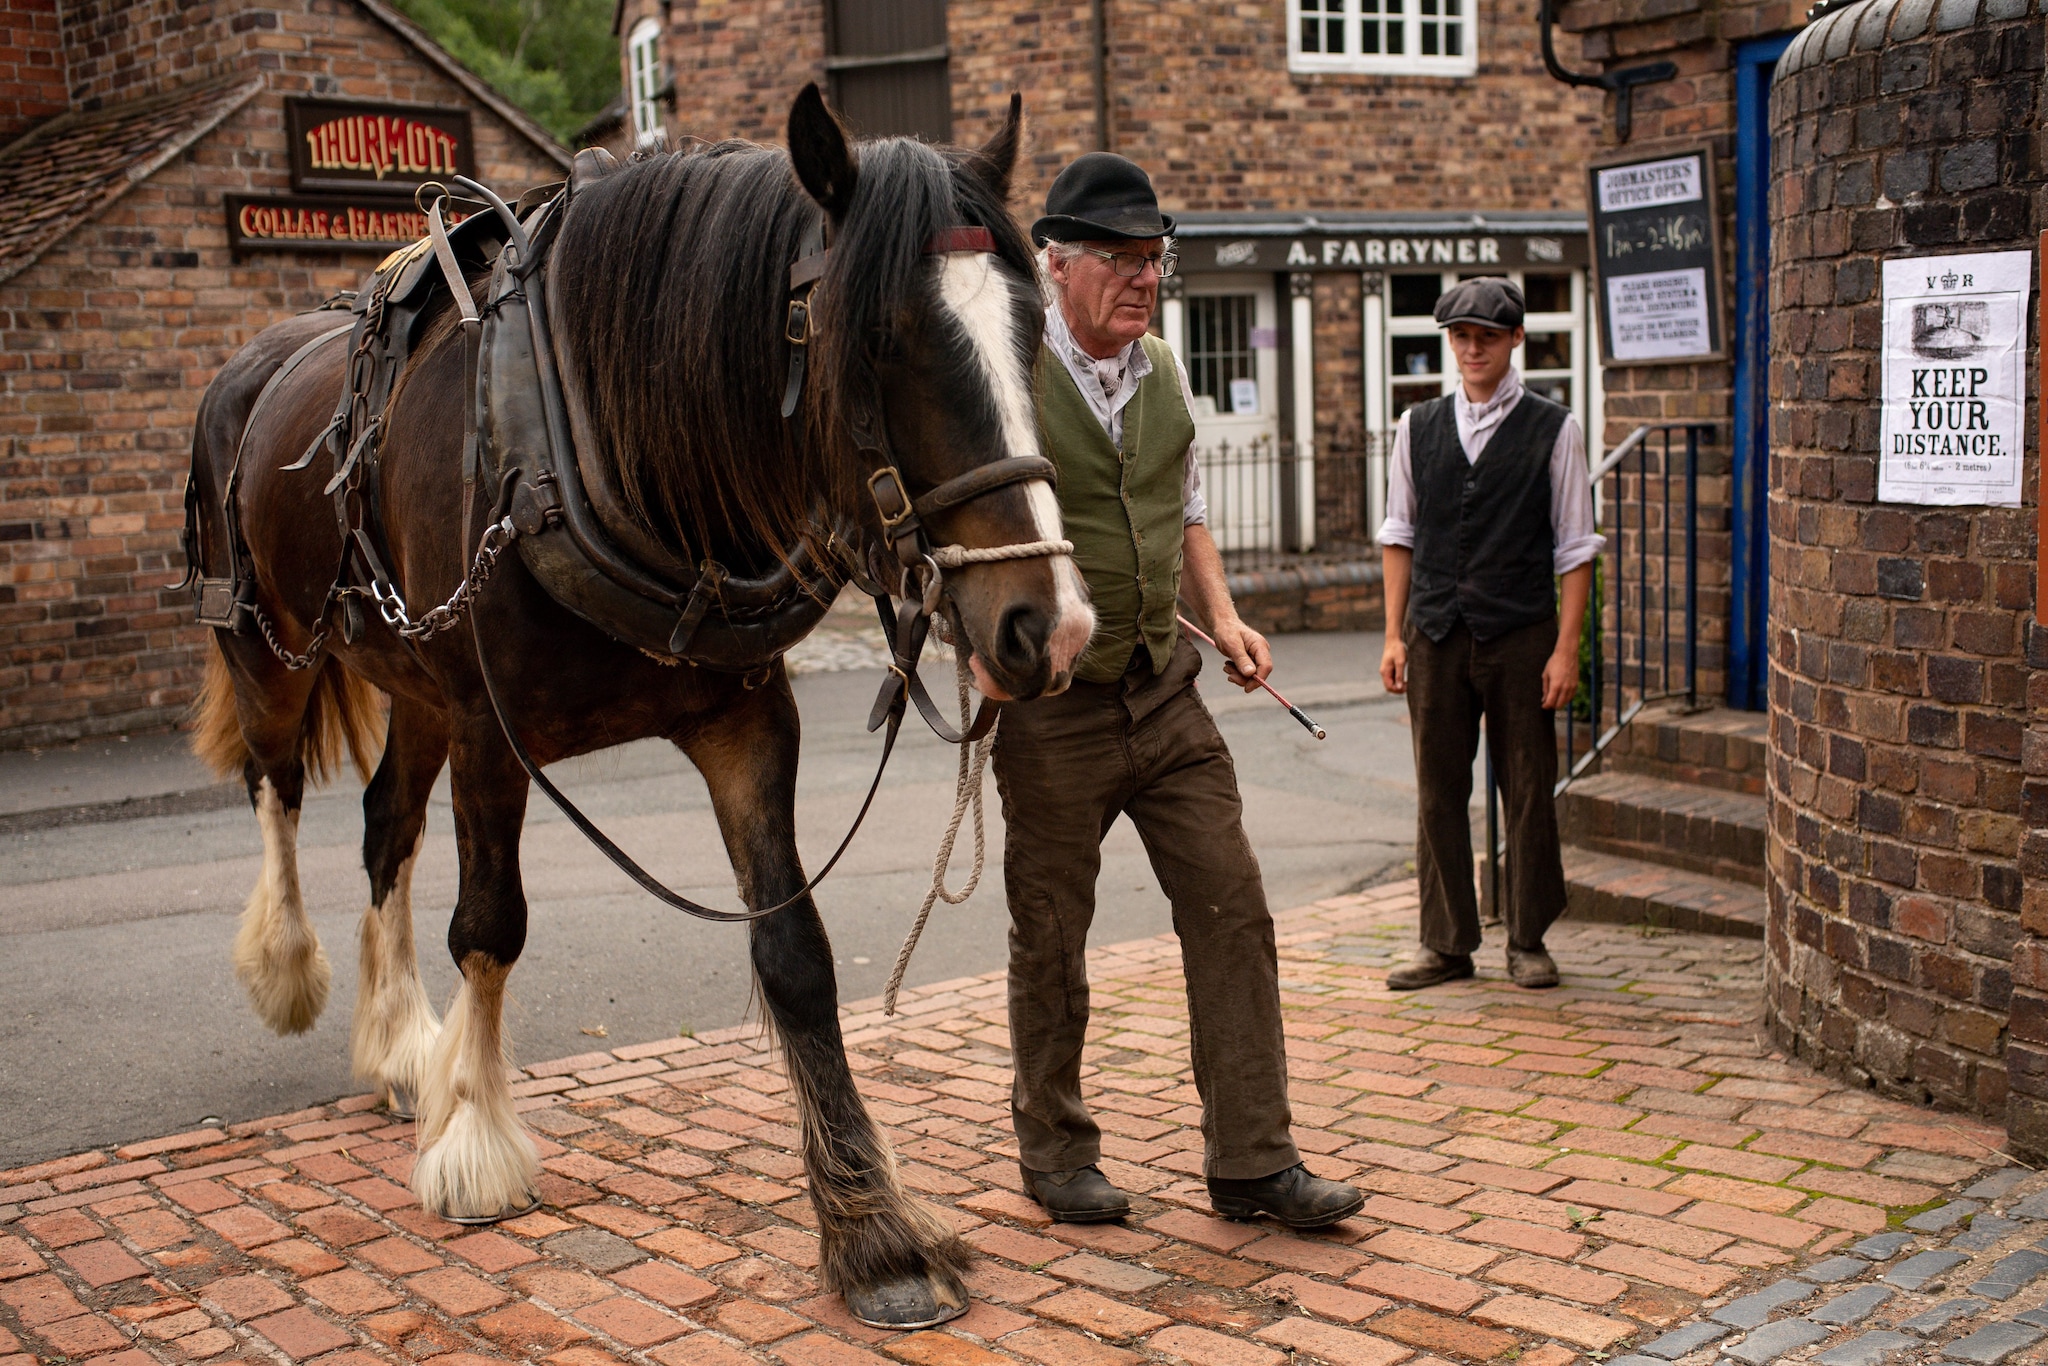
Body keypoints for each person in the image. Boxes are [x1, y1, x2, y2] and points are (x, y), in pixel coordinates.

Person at [994, 152, 1364, 1228]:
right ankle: (1054, 1150)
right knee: (1051, 933)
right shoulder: (1008, 373)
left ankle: (1252, 1160)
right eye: (1116, 259)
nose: (1141, 279)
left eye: (1152, 260)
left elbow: (1185, 506)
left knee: (1232, 908)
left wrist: (1229, 612)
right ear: (1052, 263)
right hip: (1052, 708)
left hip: (1165, 689)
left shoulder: (1160, 369)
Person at [1376, 278, 1602, 991]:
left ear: (1514, 341)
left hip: (1521, 634)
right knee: (1437, 790)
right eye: (1462, 337)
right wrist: (1393, 635)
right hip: (1436, 630)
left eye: (1487, 337)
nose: (1473, 349)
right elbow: (1399, 535)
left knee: (1528, 786)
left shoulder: (1554, 428)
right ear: (1451, 342)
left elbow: (1574, 548)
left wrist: (1567, 650)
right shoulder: (1417, 427)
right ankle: (1445, 942)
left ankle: (1528, 937)